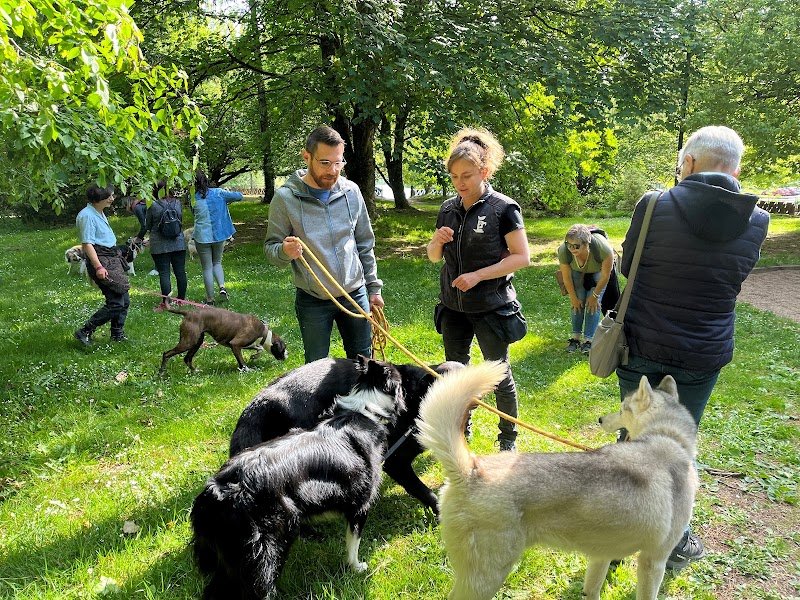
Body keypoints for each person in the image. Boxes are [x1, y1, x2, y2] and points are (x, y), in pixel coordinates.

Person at [616, 125, 769, 570]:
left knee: (636, 434)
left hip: (642, 342)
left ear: (689, 163)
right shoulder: (758, 219)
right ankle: (676, 539)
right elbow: (733, 278)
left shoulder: (654, 204)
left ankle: (621, 527)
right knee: (680, 443)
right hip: (704, 351)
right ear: (736, 170)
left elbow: (629, 267)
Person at [426, 128, 530, 452]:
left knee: (497, 374)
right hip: (453, 307)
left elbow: (522, 257)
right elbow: (433, 258)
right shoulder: (447, 208)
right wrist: (435, 241)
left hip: (490, 307)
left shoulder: (504, 208)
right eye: (455, 176)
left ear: (484, 172)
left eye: (467, 175)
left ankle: (507, 440)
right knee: (455, 375)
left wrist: (478, 276)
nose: (460, 182)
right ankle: (460, 434)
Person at [264, 125, 384, 363]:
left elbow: (364, 243)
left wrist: (374, 288)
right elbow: (271, 249)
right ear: (306, 156)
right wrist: (285, 252)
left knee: (364, 364)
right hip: (313, 300)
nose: (333, 171)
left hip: (355, 293)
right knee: (315, 369)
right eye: (325, 163)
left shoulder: (352, 191)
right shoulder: (285, 198)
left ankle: (362, 403)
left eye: (339, 163)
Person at [74, 184, 131, 345]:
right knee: (115, 303)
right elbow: (87, 244)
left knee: (124, 300)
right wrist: (99, 267)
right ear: (99, 199)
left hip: (111, 260)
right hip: (101, 262)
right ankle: (84, 331)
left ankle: (117, 334)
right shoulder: (87, 216)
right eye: (109, 196)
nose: (112, 198)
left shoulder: (98, 212)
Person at [557, 224, 614, 354]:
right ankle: (575, 338)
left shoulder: (603, 249)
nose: (572, 249)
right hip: (576, 272)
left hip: (598, 272)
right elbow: (566, 277)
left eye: (576, 246)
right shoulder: (564, 250)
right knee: (578, 301)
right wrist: (573, 298)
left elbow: (605, 275)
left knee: (593, 304)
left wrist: (594, 296)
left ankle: (589, 340)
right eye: (569, 244)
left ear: (586, 244)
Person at [193, 170, 244, 305]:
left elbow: (194, 213)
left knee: (207, 267)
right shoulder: (219, 193)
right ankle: (222, 287)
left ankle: (210, 299)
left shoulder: (193, 198)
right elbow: (239, 196)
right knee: (217, 262)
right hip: (219, 234)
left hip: (201, 237)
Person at [145, 180, 187, 310]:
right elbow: (180, 220)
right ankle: (181, 300)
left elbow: (148, 225)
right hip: (178, 242)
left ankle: (166, 303)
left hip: (159, 244)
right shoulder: (177, 203)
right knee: (180, 271)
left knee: (164, 273)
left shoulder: (153, 205)